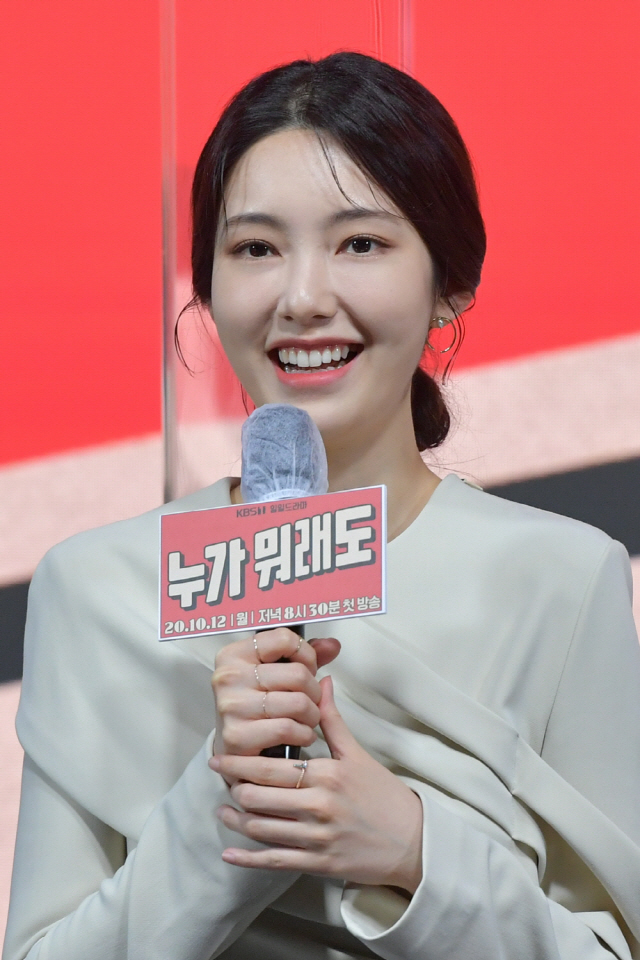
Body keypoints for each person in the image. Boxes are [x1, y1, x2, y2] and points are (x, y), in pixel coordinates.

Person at [4, 51, 640, 960]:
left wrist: (415, 853)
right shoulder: (97, 587)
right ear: (207, 286)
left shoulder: (563, 579)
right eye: (256, 249)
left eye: (361, 244)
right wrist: (226, 810)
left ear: (450, 283)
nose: (303, 299)